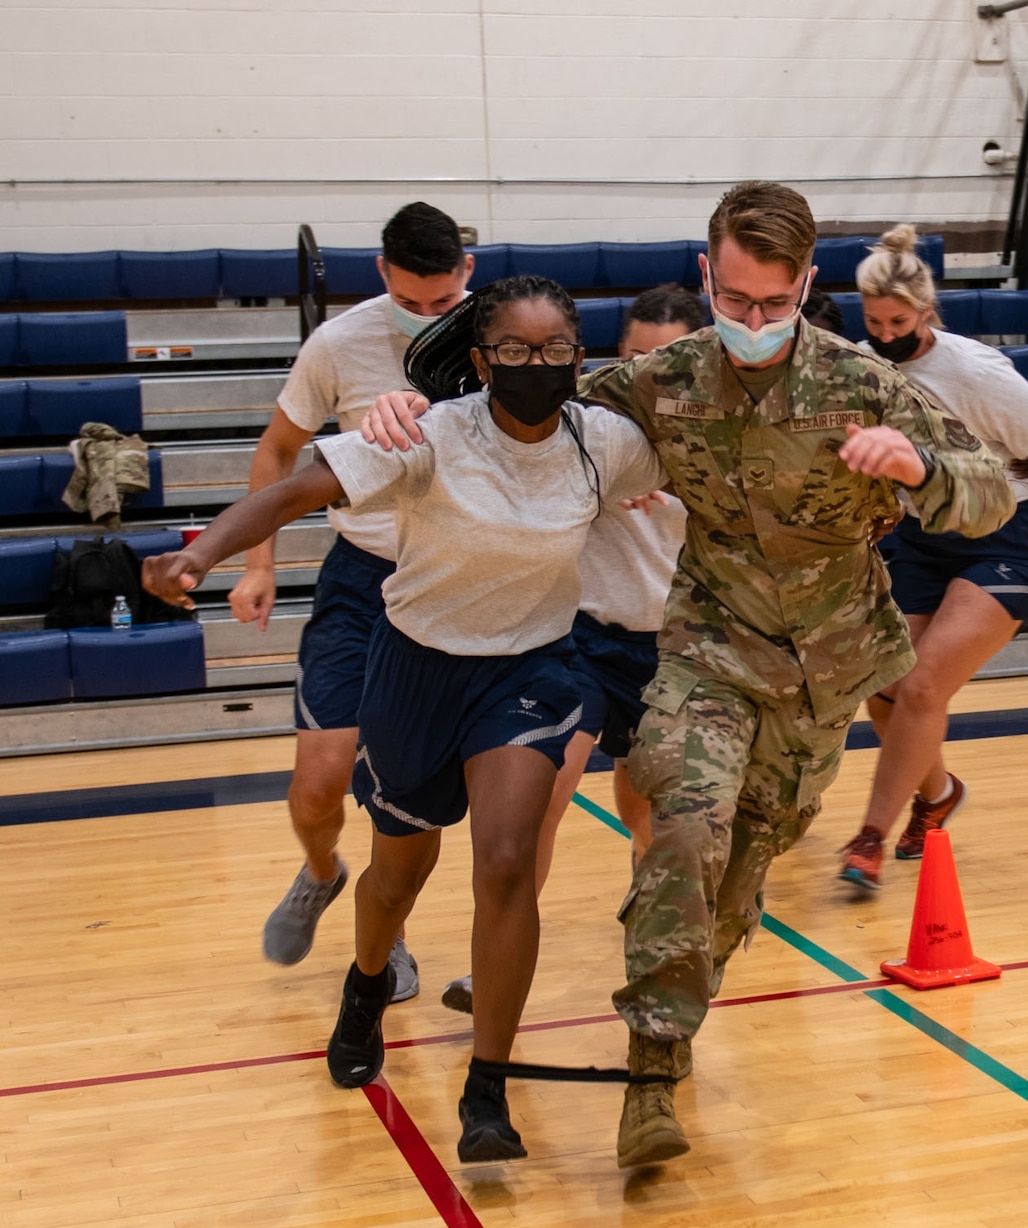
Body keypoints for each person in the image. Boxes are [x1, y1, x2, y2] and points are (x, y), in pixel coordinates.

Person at [365, 183, 1015, 1169]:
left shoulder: (861, 382)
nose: (753, 322)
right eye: (736, 300)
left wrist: (919, 471)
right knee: (683, 830)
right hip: (708, 651)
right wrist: (413, 404)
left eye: (774, 303)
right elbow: (518, 409)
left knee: (734, 886)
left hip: (824, 674)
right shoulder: (660, 380)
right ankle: (651, 1077)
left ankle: (671, 1032)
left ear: (803, 283)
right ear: (708, 275)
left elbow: (994, 494)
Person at [145, 275, 675, 1161]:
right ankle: (363, 985)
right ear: (480, 359)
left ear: (579, 359)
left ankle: (487, 1090)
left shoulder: (606, 442)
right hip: (416, 669)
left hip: (529, 671)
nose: (534, 366)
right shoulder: (427, 432)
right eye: (513, 350)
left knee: (506, 862)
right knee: (398, 871)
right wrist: (198, 554)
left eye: (553, 352)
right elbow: (293, 490)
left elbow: (719, 460)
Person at [439, 285, 708, 1017]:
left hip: (675, 648)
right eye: (635, 355)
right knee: (540, 803)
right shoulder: (580, 418)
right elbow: (467, 401)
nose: (648, 369)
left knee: (648, 816)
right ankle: (491, 968)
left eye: (666, 357)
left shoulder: (721, 431)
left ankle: (654, 965)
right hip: (582, 636)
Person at [835, 226, 1028, 890]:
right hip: (925, 536)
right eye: (874, 321)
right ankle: (936, 795)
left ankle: (870, 836)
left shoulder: (975, 372)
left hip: (1008, 532)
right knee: (884, 690)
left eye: (898, 321)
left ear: (927, 311)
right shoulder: (859, 365)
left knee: (925, 684)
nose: (884, 333)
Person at [234, 202, 474, 1002]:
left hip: (449, 581)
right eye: (410, 303)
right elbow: (275, 450)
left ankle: (390, 940)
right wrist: (258, 564)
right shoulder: (338, 345)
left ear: (466, 275)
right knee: (318, 783)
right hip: (360, 578)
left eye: (442, 304)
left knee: (399, 786)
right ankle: (319, 871)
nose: (427, 318)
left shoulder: (496, 338)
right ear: (382, 275)